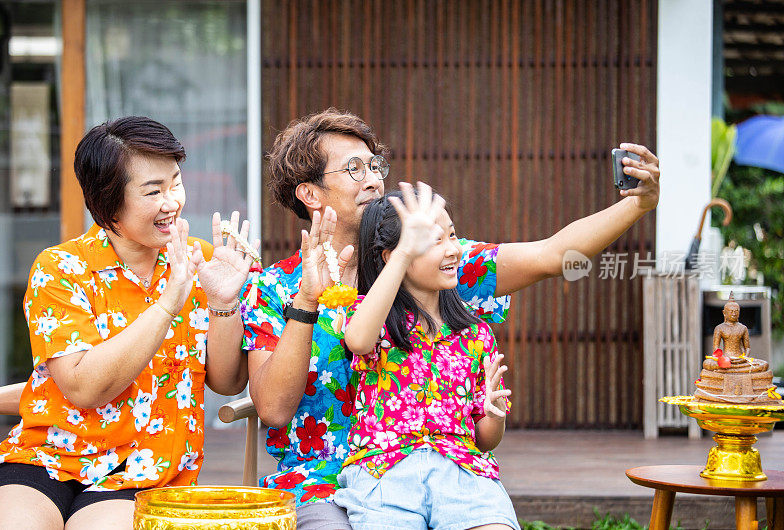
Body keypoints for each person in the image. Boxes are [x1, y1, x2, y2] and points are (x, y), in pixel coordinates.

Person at [240, 108, 660, 529]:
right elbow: (274, 409)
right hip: (319, 484)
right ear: (310, 194)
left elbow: (552, 256)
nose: (372, 178)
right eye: (353, 168)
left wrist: (637, 206)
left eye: (374, 165)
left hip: (439, 473)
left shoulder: (432, 264)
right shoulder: (274, 288)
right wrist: (307, 302)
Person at [0, 116, 252, 529]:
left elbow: (226, 382)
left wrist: (222, 303)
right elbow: (84, 387)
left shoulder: (200, 262)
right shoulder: (61, 269)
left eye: (175, 182)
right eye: (153, 191)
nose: (172, 202)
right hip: (46, 456)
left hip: (146, 468)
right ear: (108, 202)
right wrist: (168, 303)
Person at [337, 182, 518, 529]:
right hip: (385, 476)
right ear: (392, 255)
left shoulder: (475, 333)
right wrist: (405, 251)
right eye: (435, 241)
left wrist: (495, 416)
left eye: (452, 236)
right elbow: (358, 341)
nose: (453, 250)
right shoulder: (372, 317)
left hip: (464, 475)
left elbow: (484, 440)